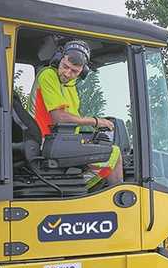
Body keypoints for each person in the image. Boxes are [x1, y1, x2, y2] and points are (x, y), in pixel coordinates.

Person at [30, 38, 123, 187]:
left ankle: (84, 186)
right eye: (65, 66)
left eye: (74, 71)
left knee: (100, 149)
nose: (67, 73)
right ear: (59, 59)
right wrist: (95, 121)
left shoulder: (70, 85)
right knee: (113, 153)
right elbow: (59, 118)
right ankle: (85, 189)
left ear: (82, 71)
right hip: (44, 142)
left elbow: (73, 118)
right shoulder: (48, 75)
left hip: (61, 141)